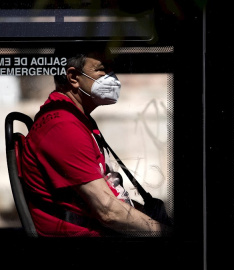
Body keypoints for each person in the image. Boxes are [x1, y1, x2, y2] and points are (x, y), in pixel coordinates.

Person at [21, 44, 169, 237]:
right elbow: (108, 211)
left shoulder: (78, 118)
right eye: (101, 69)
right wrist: (164, 232)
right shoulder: (62, 127)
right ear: (73, 77)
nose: (112, 76)